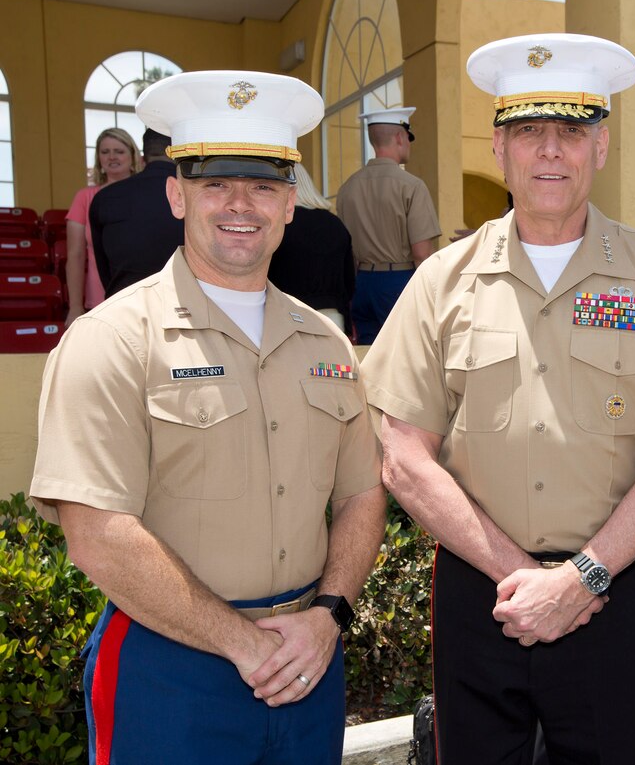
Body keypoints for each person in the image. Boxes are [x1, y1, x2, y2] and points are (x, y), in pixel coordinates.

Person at [362, 33, 635, 764]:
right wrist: (521, 576)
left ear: (601, 146)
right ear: (498, 147)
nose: (551, 150)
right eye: (529, 131)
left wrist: (582, 576)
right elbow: (403, 455)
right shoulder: (441, 282)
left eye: (572, 129)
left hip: (612, 588)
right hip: (479, 589)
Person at [30, 70, 386, 765]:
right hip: (172, 668)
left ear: (290, 203)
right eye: (214, 182)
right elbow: (97, 533)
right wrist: (243, 643)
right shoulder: (113, 339)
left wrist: (328, 615)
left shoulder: (326, 343)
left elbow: (362, 493)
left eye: (262, 185)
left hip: (309, 657)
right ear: (175, 192)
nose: (239, 204)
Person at [336, 106, 440, 344]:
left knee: (368, 354)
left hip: (361, 282)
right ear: (399, 137)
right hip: (400, 280)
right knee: (407, 353)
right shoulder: (411, 186)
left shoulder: (347, 188)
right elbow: (422, 253)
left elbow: (346, 249)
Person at [90, 127, 186, 298]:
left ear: (142, 158)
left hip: (124, 303)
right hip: (184, 302)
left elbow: (105, 270)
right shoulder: (194, 195)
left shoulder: (105, 198)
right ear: (180, 155)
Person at [267, 162, 354, 335]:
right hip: (332, 318)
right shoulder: (335, 224)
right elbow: (349, 281)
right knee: (331, 363)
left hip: (285, 316)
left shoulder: (279, 226)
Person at [65, 127, 140, 324]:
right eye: (105, 152)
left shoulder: (147, 194)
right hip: (100, 299)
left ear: (133, 156)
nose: (112, 157)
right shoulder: (84, 197)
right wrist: (75, 307)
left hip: (142, 296)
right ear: (98, 158)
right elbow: (75, 255)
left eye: (119, 151)